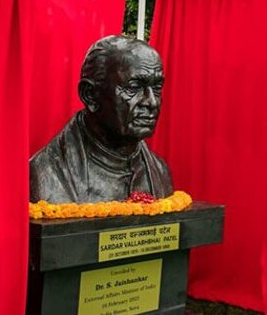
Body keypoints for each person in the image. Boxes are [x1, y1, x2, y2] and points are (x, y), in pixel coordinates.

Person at [30, 35, 173, 203]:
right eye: (134, 88)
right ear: (90, 95)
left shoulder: (160, 171)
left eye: (156, 88)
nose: (152, 102)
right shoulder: (44, 175)